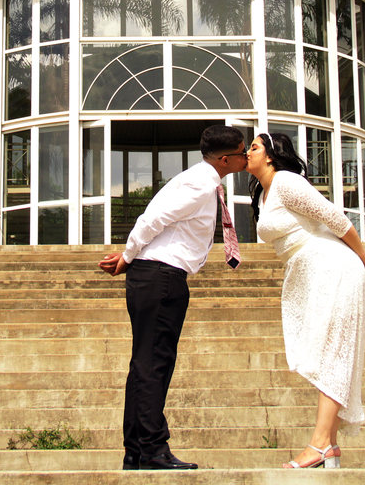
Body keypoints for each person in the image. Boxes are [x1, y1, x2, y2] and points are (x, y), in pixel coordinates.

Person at [98, 125, 249, 471]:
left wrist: (132, 257)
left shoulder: (199, 179)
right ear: (226, 160)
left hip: (156, 274)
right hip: (161, 276)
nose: (245, 158)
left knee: (145, 364)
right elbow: (153, 218)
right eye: (242, 153)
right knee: (154, 364)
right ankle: (153, 449)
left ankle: (137, 449)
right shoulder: (200, 184)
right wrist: (128, 254)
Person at [246, 131, 365, 469]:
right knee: (329, 351)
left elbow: (333, 217)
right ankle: (328, 445)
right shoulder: (265, 192)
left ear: (271, 155)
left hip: (334, 266)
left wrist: (361, 253)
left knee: (332, 352)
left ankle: (318, 445)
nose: (247, 152)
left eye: (254, 147)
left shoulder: (287, 182)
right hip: (314, 271)